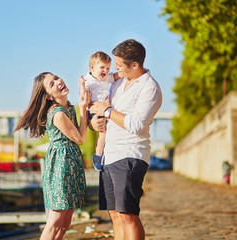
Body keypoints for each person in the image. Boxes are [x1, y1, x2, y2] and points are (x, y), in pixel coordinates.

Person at [89, 39, 162, 240]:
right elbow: (101, 108)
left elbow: (136, 124)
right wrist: (94, 123)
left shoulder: (150, 88)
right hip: (109, 155)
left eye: (120, 65)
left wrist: (108, 111)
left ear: (135, 65)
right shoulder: (118, 82)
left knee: (127, 214)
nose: (116, 68)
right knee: (114, 214)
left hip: (130, 154)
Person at [14, 72, 91, 240]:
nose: (58, 81)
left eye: (56, 78)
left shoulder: (67, 107)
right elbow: (81, 138)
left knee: (65, 221)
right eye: (52, 83)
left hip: (71, 163)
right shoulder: (57, 113)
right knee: (55, 220)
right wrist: (83, 107)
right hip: (60, 167)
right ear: (48, 96)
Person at [83, 51, 119, 170]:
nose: (105, 70)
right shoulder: (88, 80)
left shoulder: (106, 78)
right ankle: (98, 156)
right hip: (94, 109)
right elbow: (83, 95)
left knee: (107, 130)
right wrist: (82, 85)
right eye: (102, 67)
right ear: (92, 68)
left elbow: (115, 76)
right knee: (103, 132)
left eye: (108, 68)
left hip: (103, 108)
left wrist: (124, 73)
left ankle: (102, 152)